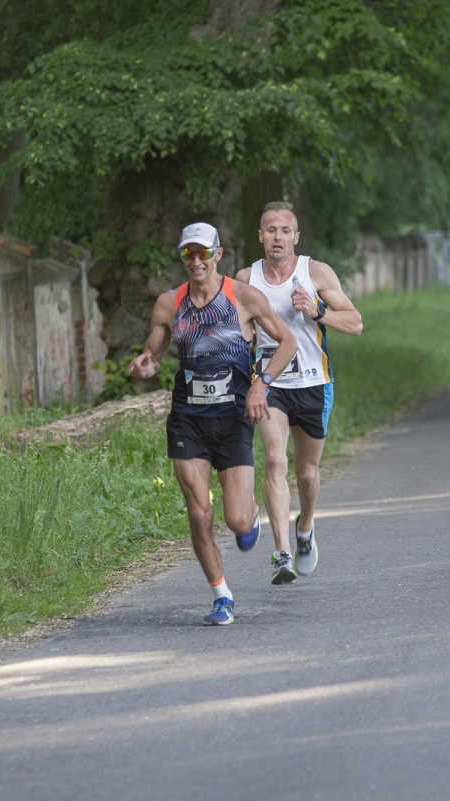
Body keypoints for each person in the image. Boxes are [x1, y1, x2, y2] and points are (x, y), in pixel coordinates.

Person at [129, 222, 297, 626]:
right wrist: (143, 366)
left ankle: (249, 514)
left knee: (237, 521)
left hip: (233, 419)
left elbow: (286, 342)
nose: (197, 260)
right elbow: (153, 354)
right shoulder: (169, 303)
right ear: (183, 257)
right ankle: (221, 594)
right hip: (188, 419)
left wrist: (262, 384)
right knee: (199, 514)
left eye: (204, 252)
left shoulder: (244, 297)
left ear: (218, 254)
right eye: (189, 253)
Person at [234, 202, 363, 585]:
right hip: (271, 385)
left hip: (313, 383)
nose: (278, 237)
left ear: (296, 236)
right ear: (260, 236)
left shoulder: (316, 272)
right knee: (274, 459)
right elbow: (238, 334)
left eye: (285, 230)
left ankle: (304, 528)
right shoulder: (246, 279)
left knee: (307, 473)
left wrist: (317, 310)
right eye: (270, 230)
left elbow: (355, 323)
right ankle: (282, 553)